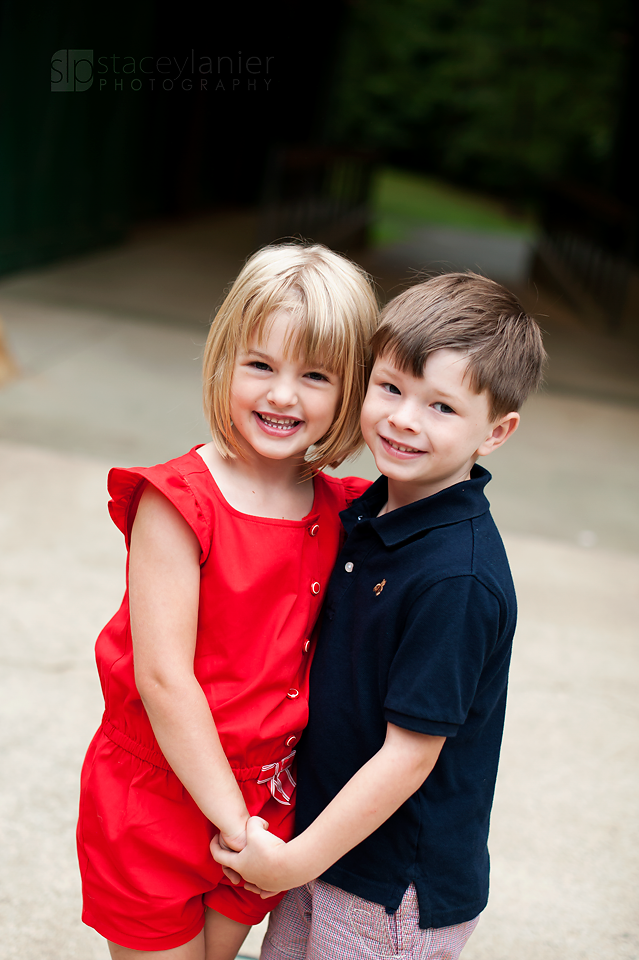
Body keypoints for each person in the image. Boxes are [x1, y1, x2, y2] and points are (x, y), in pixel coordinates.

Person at [212, 272, 547, 960]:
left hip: (391, 885)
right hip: (327, 847)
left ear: (497, 431)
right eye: (390, 387)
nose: (401, 418)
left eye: (441, 407)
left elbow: (408, 758)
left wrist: (295, 862)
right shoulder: (368, 511)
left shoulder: (457, 577)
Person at [76, 243, 378, 960]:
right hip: (160, 795)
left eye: (314, 376)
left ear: (351, 391)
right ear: (224, 360)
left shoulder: (344, 511)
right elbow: (162, 678)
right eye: (261, 366)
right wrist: (235, 827)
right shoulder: (180, 503)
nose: (282, 395)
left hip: (268, 792)